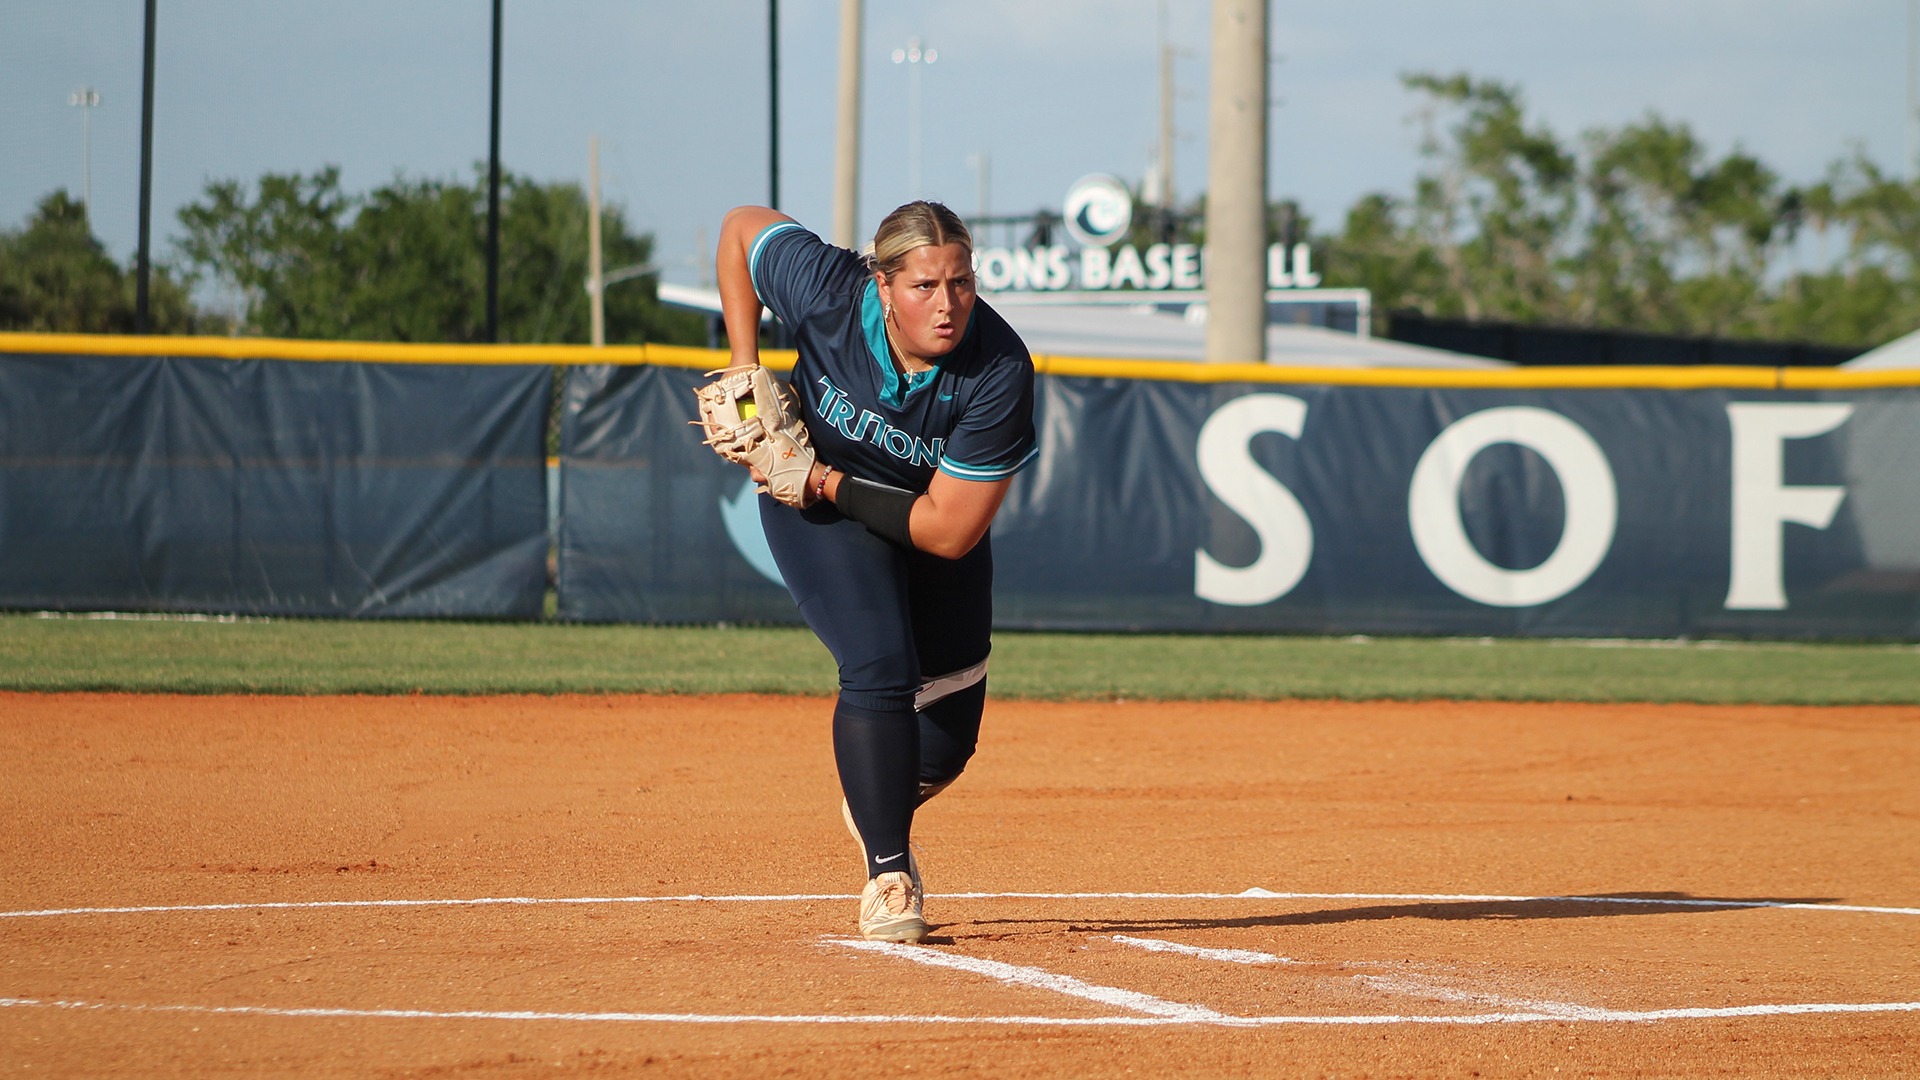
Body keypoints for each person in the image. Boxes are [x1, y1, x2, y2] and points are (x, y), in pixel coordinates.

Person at [713, 201, 1037, 942]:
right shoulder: (828, 289)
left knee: (950, 737)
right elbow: (739, 230)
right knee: (880, 668)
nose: (948, 303)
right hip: (815, 515)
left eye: (960, 281)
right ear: (883, 286)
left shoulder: (997, 367)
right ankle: (890, 874)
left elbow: (949, 532)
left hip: (880, 505)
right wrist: (744, 361)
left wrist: (821, 476)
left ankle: (874, 799)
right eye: (924, 285)